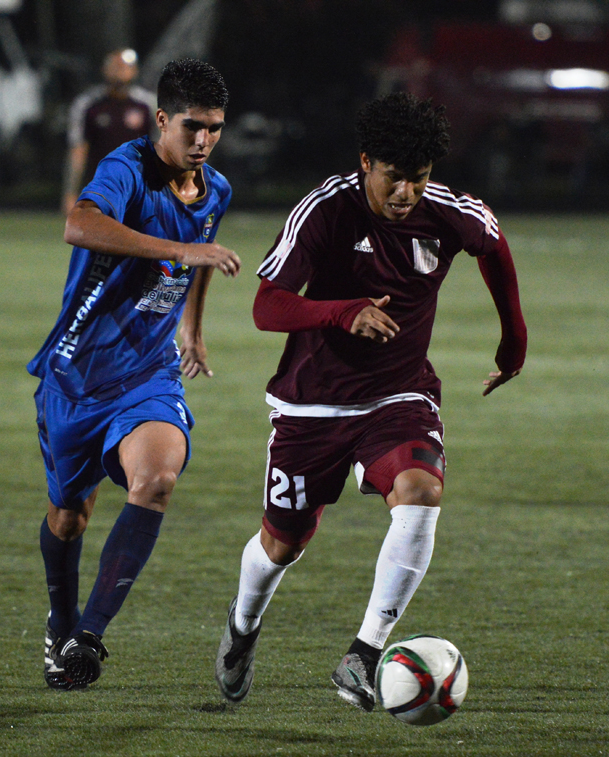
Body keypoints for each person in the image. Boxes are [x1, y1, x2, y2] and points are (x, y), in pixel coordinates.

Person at [215, 92, 527, 711]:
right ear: (365, 162)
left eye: (419, 178)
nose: (407, 192)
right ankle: (242, 628)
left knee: (421, 491)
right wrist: (342, 312)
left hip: (399, 393)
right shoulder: (325, 210)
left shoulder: (446, 213)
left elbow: (493, 245)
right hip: (313, 405)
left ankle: (363, 654)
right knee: (282, 545)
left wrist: (513, 340)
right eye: (394, 177)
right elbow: (265, 305)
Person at [28, 58, 240, 691]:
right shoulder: (127, 169)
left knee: (157, 479)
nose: (203, 142)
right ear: (161, 121)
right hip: (77, 373)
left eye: (215, 130)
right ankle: (61, 623)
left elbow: (200, 257)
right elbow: (79, 224)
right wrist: (177, 250)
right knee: (69, 516)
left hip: (148, 375)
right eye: (192, 128)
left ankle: (89, 636)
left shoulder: (215, 190)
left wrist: (191, 328)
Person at [61, 48, 158, 216]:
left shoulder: (148, 105)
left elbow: (163, 148)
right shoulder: (88, 105)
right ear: (104, 69)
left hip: (139, 187)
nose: (120, 70)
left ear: (134, 71)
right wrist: (70, 192)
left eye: (125, 66)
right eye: (115, 66)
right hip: (100, 188)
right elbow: (78, 151)